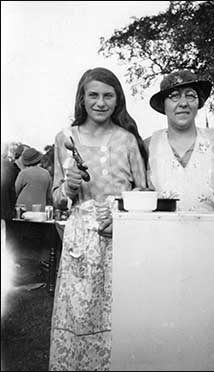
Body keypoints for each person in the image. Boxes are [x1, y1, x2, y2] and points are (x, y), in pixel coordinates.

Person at [49, 67, 147, 371]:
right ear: (82, 98)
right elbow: (55, 196)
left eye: (108, 95)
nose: (100, 102)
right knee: (78, 313)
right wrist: (68, 187)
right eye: (93, 95)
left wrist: (122, 216)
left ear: (118, 100)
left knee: (119, 314)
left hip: (121, 237)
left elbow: (144, 192)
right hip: (79, 239)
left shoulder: (128, 140)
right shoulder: (66, 138)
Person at [145, 69, 214, 213]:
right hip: (162, 233)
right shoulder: (148, 146)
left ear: (199, 102)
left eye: (190, 96)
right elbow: (134, 197)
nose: (183, 103)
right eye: (174, 96)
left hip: (212, 233)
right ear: (163, 105)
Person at [15, 147, 52, 211]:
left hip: (23, 208)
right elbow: (49, 195)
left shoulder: (23, 173)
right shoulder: (46, 173)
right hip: (40, 209)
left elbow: (16, 191)